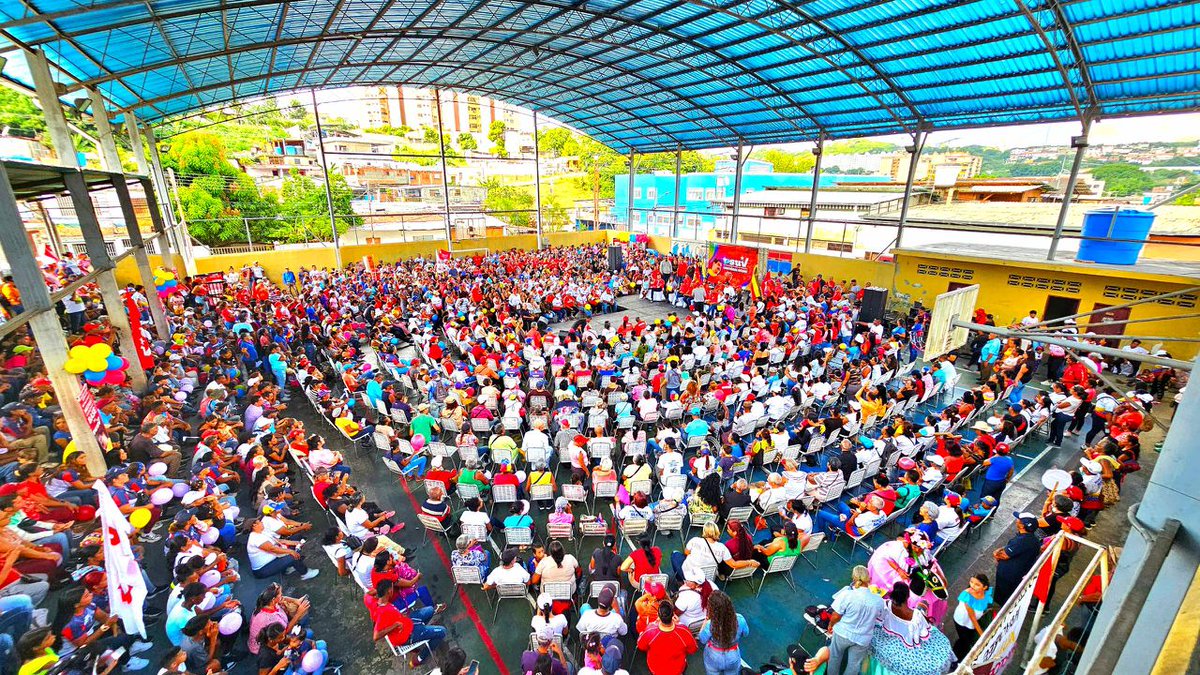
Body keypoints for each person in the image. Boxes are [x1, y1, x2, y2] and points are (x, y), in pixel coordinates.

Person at [370, 579, 446, 663]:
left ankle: (424, 630)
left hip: (408, 622)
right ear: (389, 591)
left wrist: (400, 617)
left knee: (430, 610)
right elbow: (376, 636)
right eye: (392, 588)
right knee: (442, 631)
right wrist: (395, 625)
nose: (393, 590)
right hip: (407, 635)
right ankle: (420, 658)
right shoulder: (382, 612)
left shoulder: (382, 602)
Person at [826, 565, 884, 675]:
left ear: (854, 579)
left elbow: (836, 615)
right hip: (863, 639)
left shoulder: (847, 594)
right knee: (854, 665)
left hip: (843, 633)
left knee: (835, 657)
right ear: (869, 579)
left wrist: (831, 625)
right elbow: (880, 618)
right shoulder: (879, 601)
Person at [993, 513, 1042, 605]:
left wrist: (996, 553)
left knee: (1003, 597)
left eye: (1018, 519)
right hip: (1017, 573)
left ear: (1022, 525)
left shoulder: (1022, 541)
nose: (1016, 520)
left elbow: (1004, 555)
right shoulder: (1032, 539)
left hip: (1009, 575)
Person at [246, 518, 319, 580]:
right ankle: (305, 573)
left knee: (294, 539)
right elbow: (272, 549)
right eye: (259, 522)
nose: (262, 522)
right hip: (263, 569)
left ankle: (287, 567)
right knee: (292, 557)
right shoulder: (255, 538)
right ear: (254, 526)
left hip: (274, 558)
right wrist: (290, 551)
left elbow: (279, 541)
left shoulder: (262, 532)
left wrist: (295, 543)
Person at [637, 600, 696, 675]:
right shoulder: (684, 630)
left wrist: (653, 624)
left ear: (659, 616)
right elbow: (693, 649)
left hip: (656, 670)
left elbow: (641, 646)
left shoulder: (650, 630)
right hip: (677, 670)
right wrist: (679, 623)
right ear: (673, 615)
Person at [696, 590, 748, 675]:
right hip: (732, 655)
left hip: (713, 656)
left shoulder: (710, 624)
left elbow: (702, 639)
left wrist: (706, 621)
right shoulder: (740, 619)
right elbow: (745, 633)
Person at [952, 574, 993, 661]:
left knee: (965, 639)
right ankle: (957, 659)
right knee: (965, 641)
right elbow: (973, 618)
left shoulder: (985, 594)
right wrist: (982, 635)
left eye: (977, 584)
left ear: (985, 587)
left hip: (970, 621)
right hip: (962, 622)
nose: (972, 586)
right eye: (971, 582)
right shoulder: (967, 597)